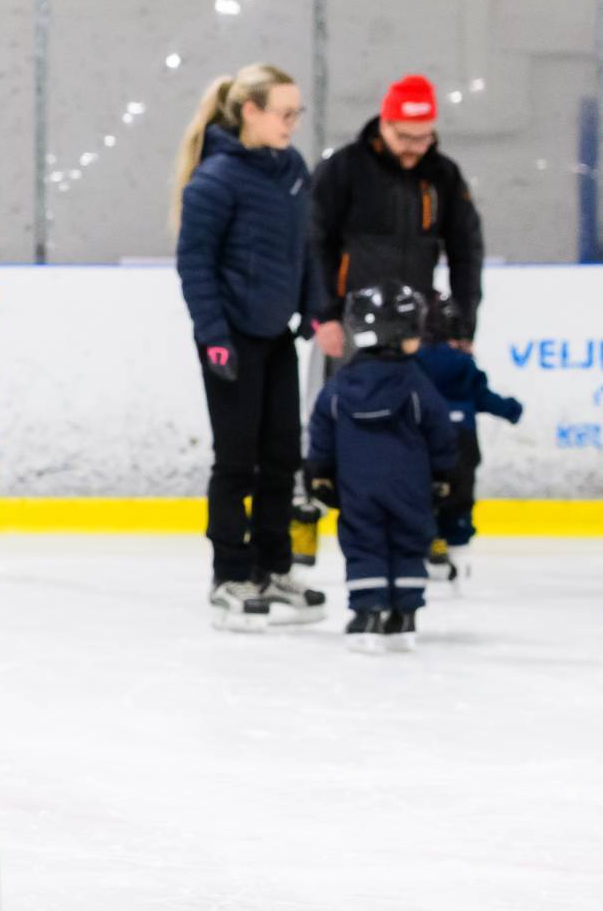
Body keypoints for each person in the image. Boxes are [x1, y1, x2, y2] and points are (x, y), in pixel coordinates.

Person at [172, 63, 328, 631]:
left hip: (276, 334)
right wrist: (213, 336)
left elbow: (307, 247)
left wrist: (314, 307)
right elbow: (195, 265)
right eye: (284, 112)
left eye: (297, 113)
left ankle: (272, 567)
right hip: (230, 339)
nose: (292, 123)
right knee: (237, 461)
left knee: (283, 457)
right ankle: (230, 574)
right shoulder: (215, 179)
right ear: (250, 112)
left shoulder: (291, 170)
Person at [306, 282, 457, 652]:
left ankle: (367, 612)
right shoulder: (416, 383)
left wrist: (320, 472)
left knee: (363, 543)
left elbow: (320, 428)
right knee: (408, 543)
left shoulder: (339, 385)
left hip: (358, 488)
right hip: (411, 488)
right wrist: (442, 474)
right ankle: (404, 616)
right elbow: (440, 430)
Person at [307, 74, 486, 357]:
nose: (413, 148)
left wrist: (462, 326)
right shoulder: (343, 169)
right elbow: (313, 243)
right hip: (352, 325)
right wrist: (325, 315)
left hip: (419, 327)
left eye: (423, 138)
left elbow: (466, 252)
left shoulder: (443, 175)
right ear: (384, 124)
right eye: (404, 137)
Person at [414, 295, 523, 582]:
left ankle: (430, 536)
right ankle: (458, 547)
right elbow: (483, 397)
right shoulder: (464, 364)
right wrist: (511, 410)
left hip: (425, 439)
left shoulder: (414, 361)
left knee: (426, 491)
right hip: (462, 438)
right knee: (460, 495)